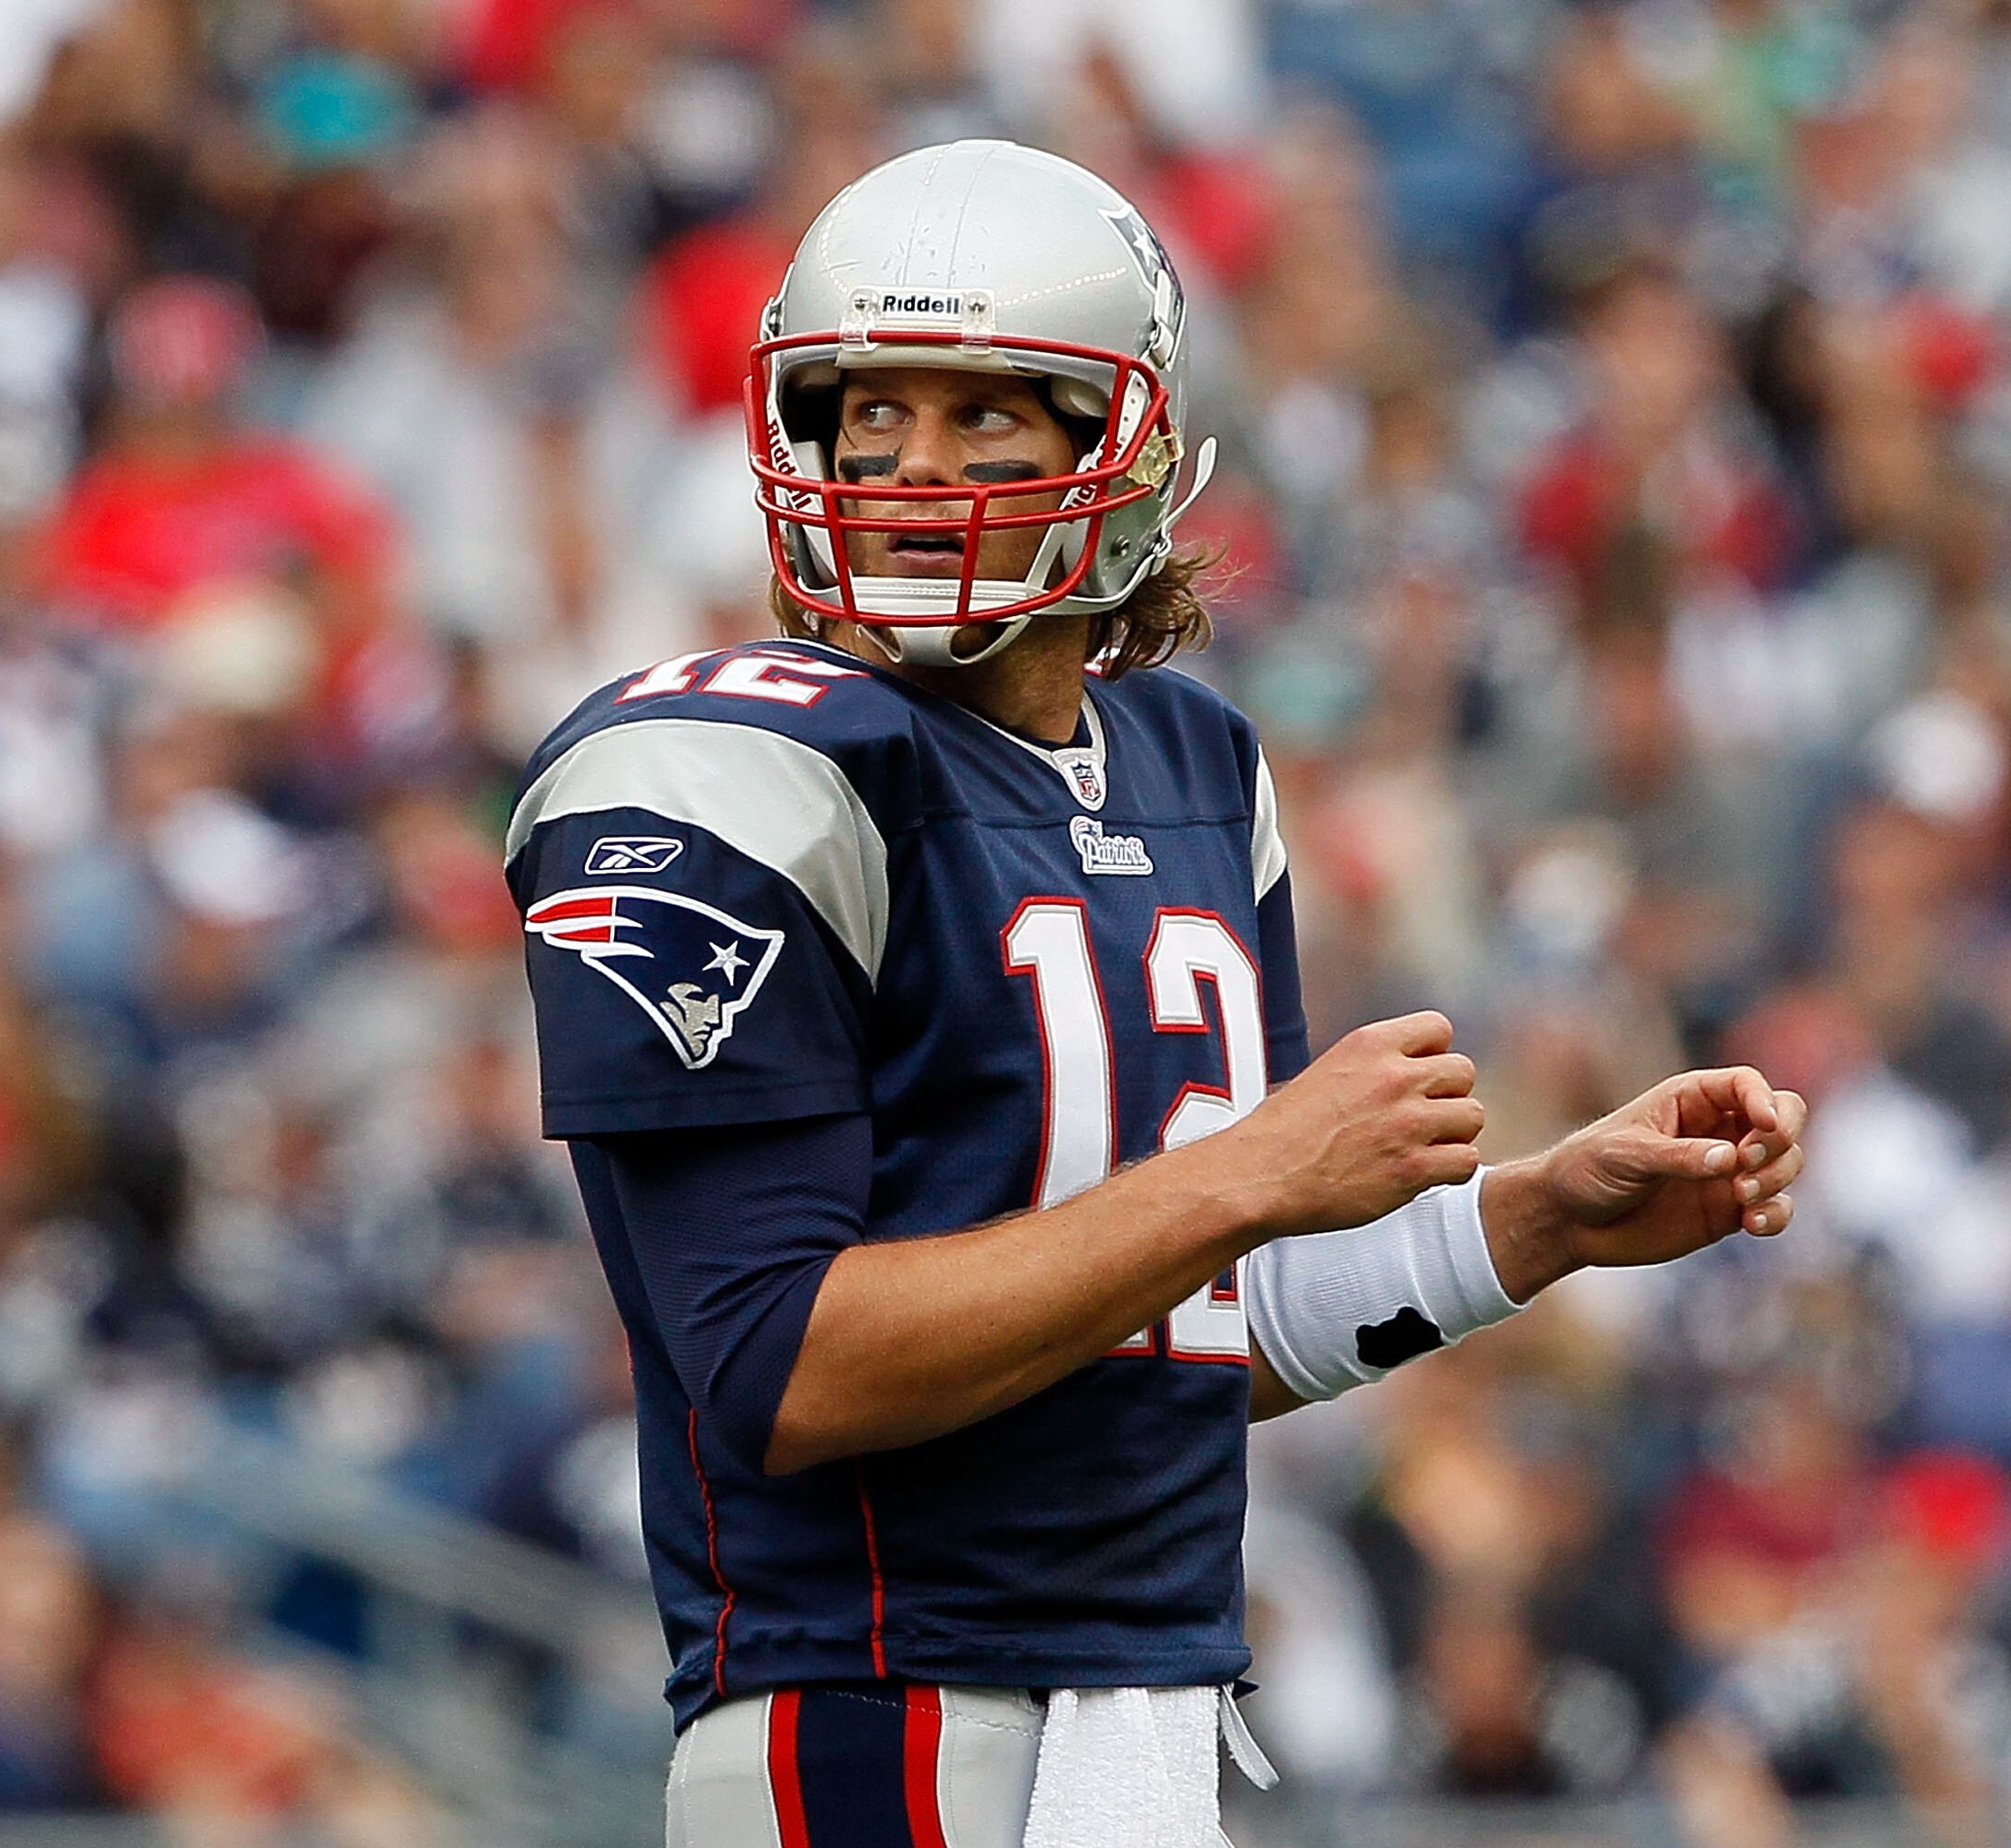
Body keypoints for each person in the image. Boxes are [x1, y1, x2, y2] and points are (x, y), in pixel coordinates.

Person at [502, 140, 1809, 1847]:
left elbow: (1181, 1334)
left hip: (1148, 1718)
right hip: (873, 1722)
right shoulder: (712, 770)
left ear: (1113, 446)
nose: (913, 464)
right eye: (871, 409)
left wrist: (1531, 1224)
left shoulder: (1195, 766)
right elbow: (778, 1370)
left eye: (987, 413)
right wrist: (1246, 1174)